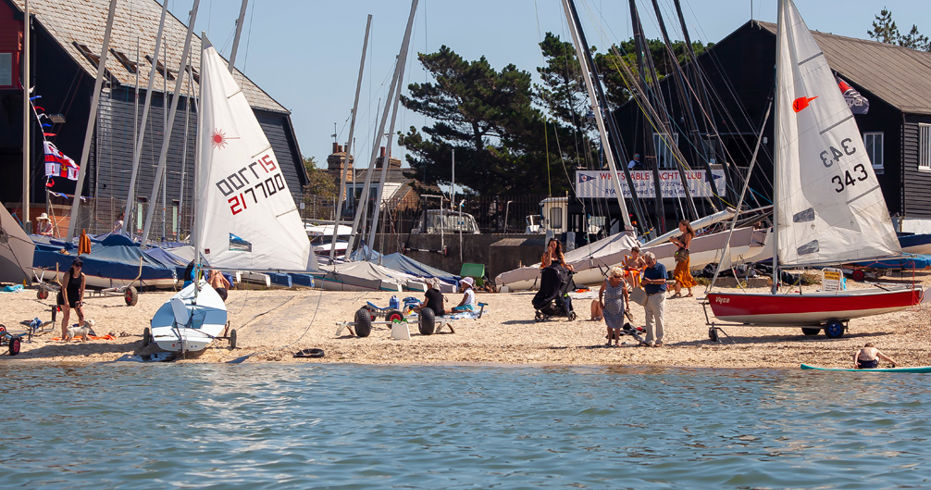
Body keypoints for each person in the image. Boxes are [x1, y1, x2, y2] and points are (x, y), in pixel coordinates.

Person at [640, 251, 667, 347]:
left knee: (658, 317)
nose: (648, 264)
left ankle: (660, 340)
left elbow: (663, 280)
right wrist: (643, 283)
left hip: (658, 295)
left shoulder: (661, 267)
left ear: (654, 260)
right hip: (648, 295)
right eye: (647, 262)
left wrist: (651, 282)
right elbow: (643, 282)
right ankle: (649, 340)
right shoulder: (647, 269)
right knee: (648, 318)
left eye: (649, 262)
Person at [599, 266, 630, 346]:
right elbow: (601, 291)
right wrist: (600, 302)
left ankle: (617, 341)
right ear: (612, 275)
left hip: (619, 306)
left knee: (618, 325)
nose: (618, 278)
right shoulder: (607, 281)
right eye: (616, 277)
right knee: (609, 324)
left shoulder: (622, 282)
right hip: (608, 306)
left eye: (619, 277)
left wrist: (627, 305)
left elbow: (626, 294)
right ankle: (609, 340)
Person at [58, 258, 86, 340]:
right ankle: (63, 336)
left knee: (81, 316)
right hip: (65, 296)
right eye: (77, 265)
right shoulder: (68, 274)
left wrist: (80, 300)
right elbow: (64, 288)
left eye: (80, 265)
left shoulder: (82, 276)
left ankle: (82, 336)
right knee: (66, 316)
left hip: (75, 297)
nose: (79, 267)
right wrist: (66, 302)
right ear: (73, 266)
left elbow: (82, 289)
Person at [669, 219, 695, 298]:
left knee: (679, 273)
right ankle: (689, 292)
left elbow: (686, 246)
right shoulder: (684, 234)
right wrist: (674, 242)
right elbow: (680, 246)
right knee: (684, 273)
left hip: (684, 257)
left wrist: (676, 240)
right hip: (682, 255)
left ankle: (678, 292)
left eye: (680, 225)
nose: (679, 227)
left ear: (685, 226)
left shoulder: (688, 234)